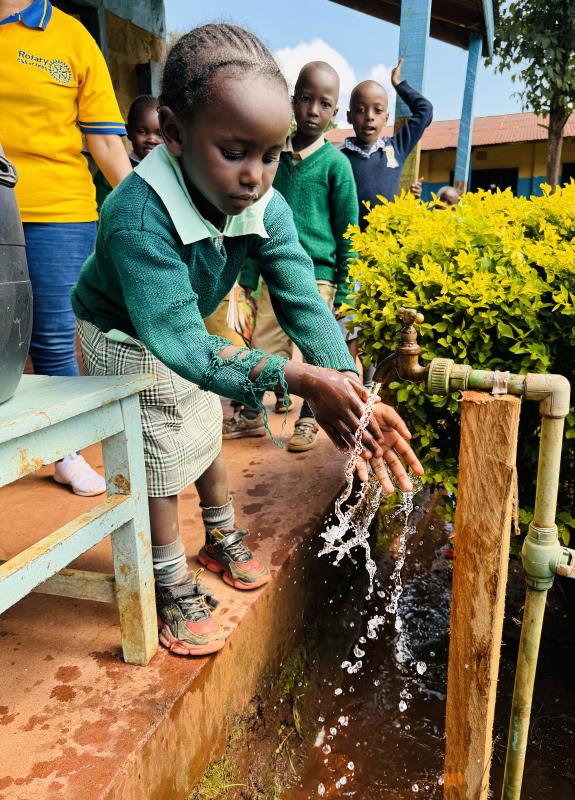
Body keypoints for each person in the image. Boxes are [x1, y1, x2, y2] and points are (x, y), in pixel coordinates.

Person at [71, 24, 424, 657]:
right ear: (175, 134)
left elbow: (300, 302)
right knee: (158, 442)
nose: (255, 177)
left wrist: (346, 384)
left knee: (205, 414)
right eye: (234, 152)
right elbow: (181, 344)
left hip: (180, 328)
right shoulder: (137, 215)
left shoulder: (261, 202)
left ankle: (218, 536)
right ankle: (167, 574)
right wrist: (299, 380)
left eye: (268, 155)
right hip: (121, 331)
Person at [0, 0, 132, 496]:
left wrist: (153, 216)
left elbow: (106, 144)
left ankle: (66, 453)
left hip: (57, 211)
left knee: (54, 338)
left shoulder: (72, 37)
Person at [224, 60, 359, 453]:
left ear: (335, 114)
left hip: (318, 275)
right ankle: (252, 414)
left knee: (316, 353)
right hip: (271, 272)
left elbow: (348, 235)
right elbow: (252, 218)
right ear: (292, 101)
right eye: (305, 99)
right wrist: (248, 278)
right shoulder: (273, 158)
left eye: (324, 104)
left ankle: (309, 419)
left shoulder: (337, 166)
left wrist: (346, 292)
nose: (313, 110)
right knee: (264, 346)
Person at [341, 58, 433, 229]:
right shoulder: (339, 157)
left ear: (386, 118)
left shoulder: (396, 148)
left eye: (378, 110)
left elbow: (425, 110)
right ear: (349, 117)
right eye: (360, 110)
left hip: (387, 248)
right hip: (351, 246)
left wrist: (398, 84)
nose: (369, 116)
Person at [95, 94, 163, 210]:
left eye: (159, 134)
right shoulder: (111, 170)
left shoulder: (172, 171)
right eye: (142, 131)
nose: (151, 139)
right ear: (128, 132)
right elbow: (99, 212)